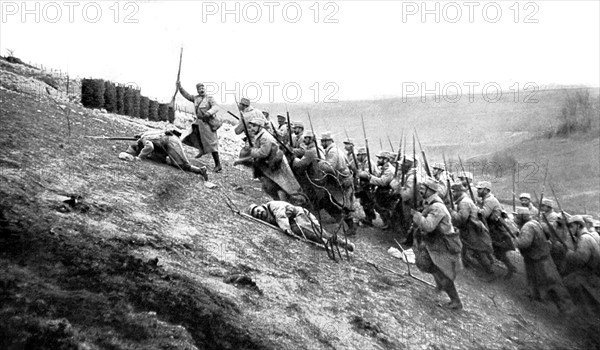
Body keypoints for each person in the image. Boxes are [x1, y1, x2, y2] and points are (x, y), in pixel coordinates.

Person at [411, 179, 464, 310]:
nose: (421, 190)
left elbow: (428, 226)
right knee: (432, 265)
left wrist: (419, 218)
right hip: (436, 242)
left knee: (442, 272)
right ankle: (440, 286)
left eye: (424, 188)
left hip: (444, 243)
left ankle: (456, 301)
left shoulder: (437, 207)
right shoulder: (430, 203)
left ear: (431, 190)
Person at [512, 207, 576, 313]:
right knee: (535, 279)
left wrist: (515, 240)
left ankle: (567, 308)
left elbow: (525, 243)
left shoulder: (528, 227)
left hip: (540, 259)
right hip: (538, 257)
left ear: (523, 216)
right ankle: (533, 297)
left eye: (518, 216)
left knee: (552, 283)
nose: (516, 218)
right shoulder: (535, 223)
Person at [246, 201, 355, 252]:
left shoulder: (273, 206)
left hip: (300, 214)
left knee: (315, 231)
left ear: (261, 206)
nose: (260, 214)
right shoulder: (267, 218)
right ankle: (333, 245)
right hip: (293, 221)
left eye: (258, 211)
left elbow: (281, 216)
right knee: (311, 233)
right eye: (257, 215)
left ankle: (339, 243)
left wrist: (286, 229)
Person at [124, 128, 208, 180]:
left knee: (181, 164)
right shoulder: (144, 135)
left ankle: (200, 170)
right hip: (165, 141)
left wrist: (140, 157)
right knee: (159, 157)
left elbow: (150, 147)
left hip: (171, 141)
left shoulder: (144, 139)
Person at [450, 182, 495, 279]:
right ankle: (465, 264)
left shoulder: (464, 202)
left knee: (480, 252)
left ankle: (490, 273)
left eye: (453, 192)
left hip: (473, 231)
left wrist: (452, 212)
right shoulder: (464, 200)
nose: (452, 194)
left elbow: (462, 219)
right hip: (471, 230)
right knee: (465, 247)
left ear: (459, 192)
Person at [476, 181, 517, 279]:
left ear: (486, 190)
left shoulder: (490, 200)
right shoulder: (487, 199)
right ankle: (510, 268)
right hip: (493, 229)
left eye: (480, 189)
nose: (478, 190)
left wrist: (474, 207)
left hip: (495, 231)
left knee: (486, 249)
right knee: (498, 253)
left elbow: (483, 214)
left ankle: (491, 273)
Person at [177, 82, 222, 172]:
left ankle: (218, 165)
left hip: (208, 123)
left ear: (204, 89)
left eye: (202, 88)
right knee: (195, 135)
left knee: (211, 143)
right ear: (197, 90)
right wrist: (180, 88)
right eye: (199, 89)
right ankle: (201, 150)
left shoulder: (209, 98)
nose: (201, 90)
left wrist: (209, 112)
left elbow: (216, 107)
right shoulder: (196, 98)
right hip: (199, 123)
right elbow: (187, 95)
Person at [318, 131, 356, 235]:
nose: (321, 144)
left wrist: (320, 163)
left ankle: (352, 228)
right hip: (340, 179)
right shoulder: (335, 150)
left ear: (328, 141)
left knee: (343, 204)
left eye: (323, 141)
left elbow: (330, 167)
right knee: (327, 199)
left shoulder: (333, 152)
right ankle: (336, 218)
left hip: (342, 181)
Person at [561, 215, 600, 311]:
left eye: (572, 226)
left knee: (565, 285)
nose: (570, 229)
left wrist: (568, 253)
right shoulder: (585, 237)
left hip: (589, 275)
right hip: (589, 273)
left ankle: (578, 315)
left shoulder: (585, 239)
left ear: (578, 225)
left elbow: (579, 260)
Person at [359, 151, 396, 230]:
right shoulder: (384, 168)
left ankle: (388, 224)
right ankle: (387, 223)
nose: (378, 160)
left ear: (385, 160)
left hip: (386, 192)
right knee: (379, 206)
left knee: (383, 208)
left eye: (380, 158)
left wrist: (370, 177)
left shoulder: (390, 170)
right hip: (382, 191)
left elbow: (383, 182)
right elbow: (379, 176)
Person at [352, 147, 376, 226]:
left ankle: (369, 220)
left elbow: (367, 174)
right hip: (364, 185)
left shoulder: (369, 163)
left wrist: (359, 172)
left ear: (364, 155)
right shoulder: (362, 163)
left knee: (368, 203)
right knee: (364, 202)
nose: (357, 157)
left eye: (359, 155)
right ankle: (367, 218)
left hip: (370, 185)